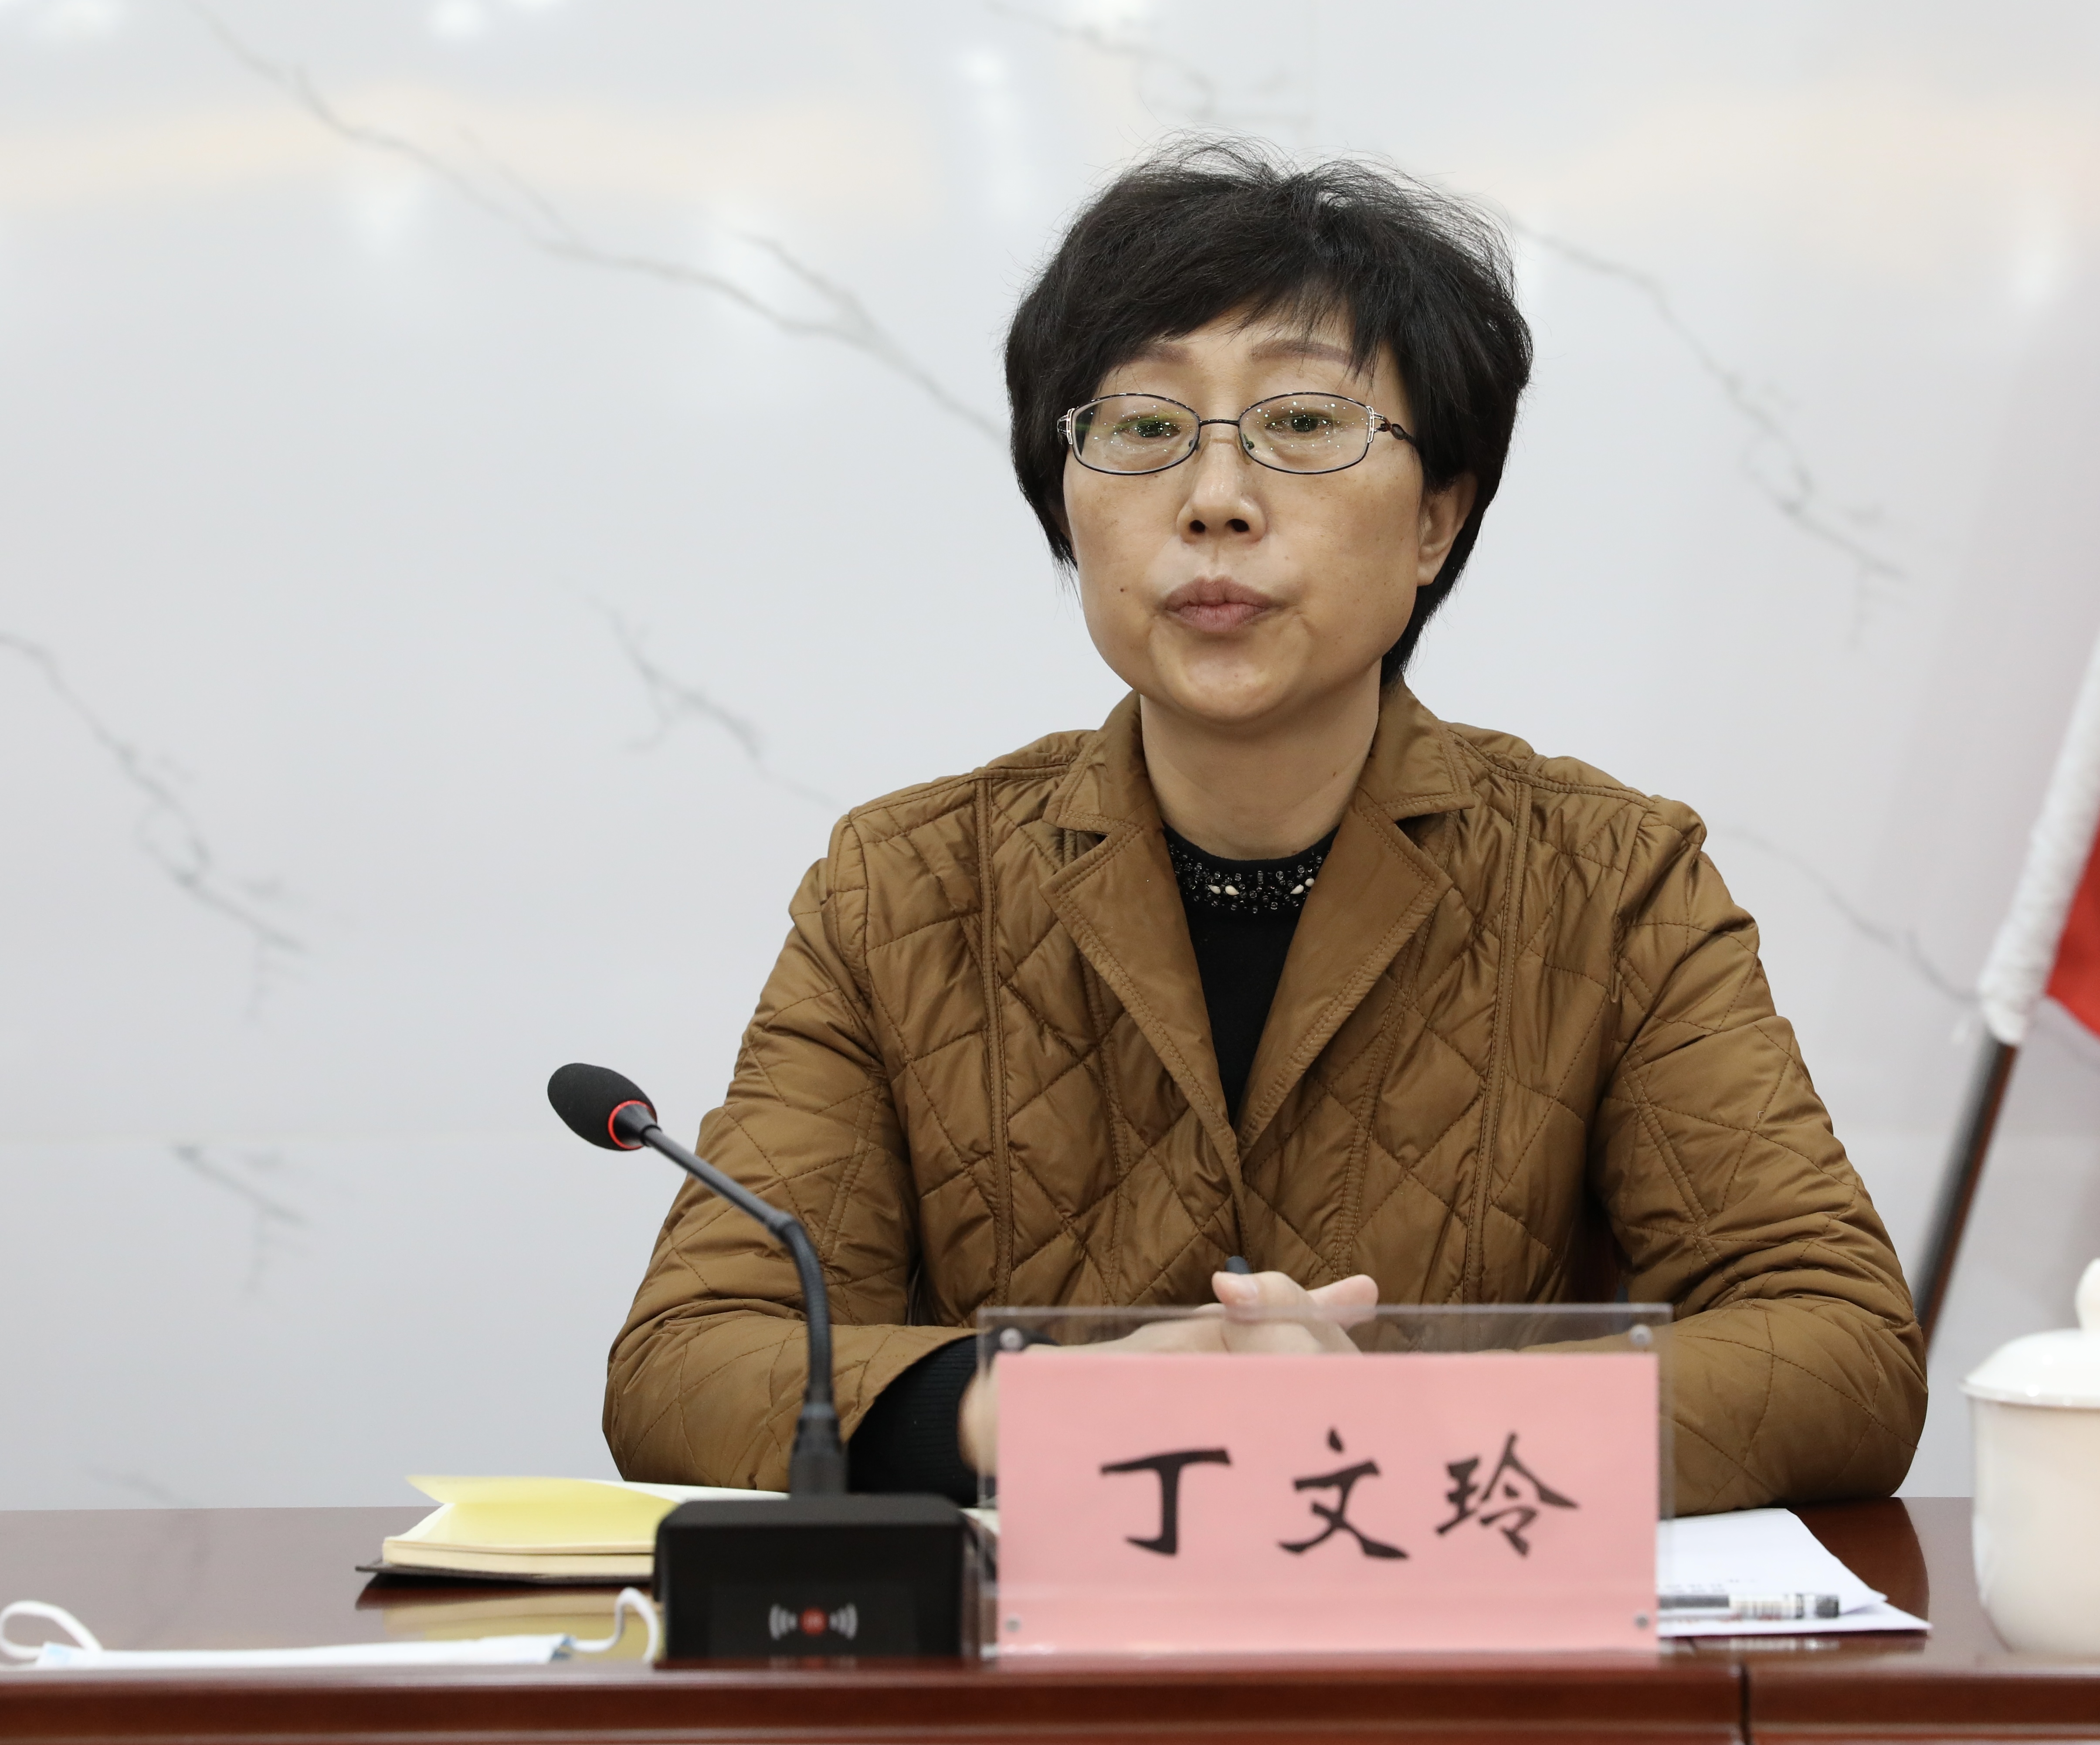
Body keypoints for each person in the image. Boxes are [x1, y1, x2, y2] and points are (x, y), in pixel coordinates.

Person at [605, 140, 1925, 1515]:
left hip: (1441, 1637)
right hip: (1039, 1652)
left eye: (1301, 422)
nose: (1215, 499)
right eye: (1142, 428)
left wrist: (1392, 1423)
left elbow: (1837, 1347)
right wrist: (1054, 1409)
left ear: (1435, 518)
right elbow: (690, 1362)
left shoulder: (1608, 882)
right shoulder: (905, 890)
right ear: (1066, 504)